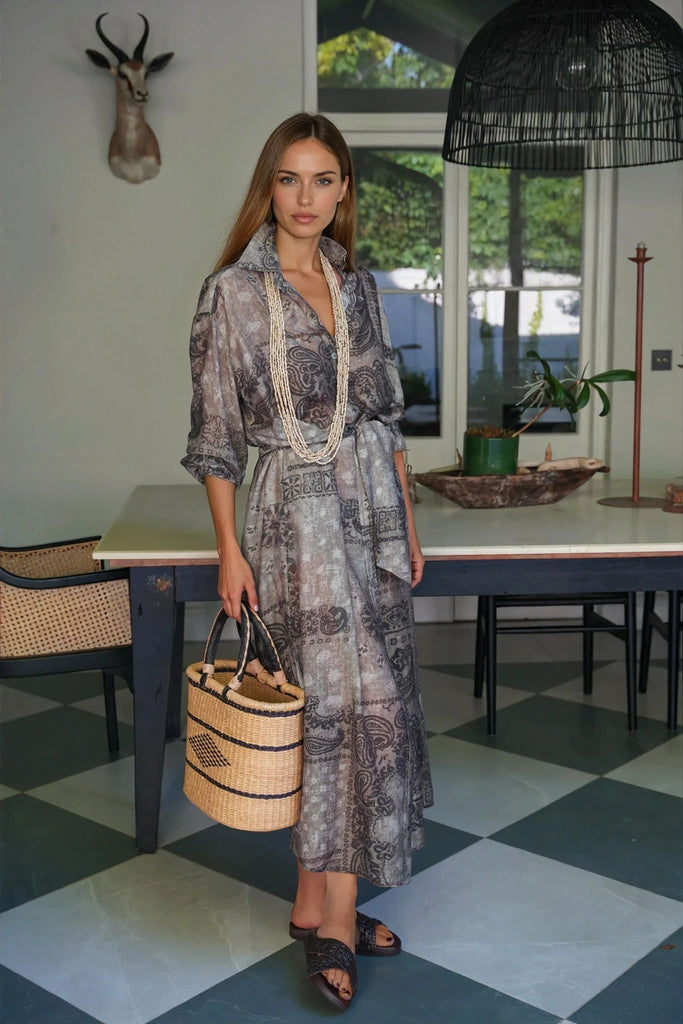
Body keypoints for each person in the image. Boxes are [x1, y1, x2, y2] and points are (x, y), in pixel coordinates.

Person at [181, 112, 433, 1011]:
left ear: (343, 191)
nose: (305, 197)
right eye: (289, 178)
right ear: (269, 185)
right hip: (291, 523)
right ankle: (335, 921)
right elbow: (215, 438)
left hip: (371, 520)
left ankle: (316, 902)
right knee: (330, 715)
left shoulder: (356, 287)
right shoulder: (232, 294)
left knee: (367, 708)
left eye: (324, 179)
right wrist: (228, 550)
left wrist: (408, 529)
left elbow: (386, 419)